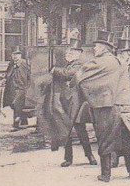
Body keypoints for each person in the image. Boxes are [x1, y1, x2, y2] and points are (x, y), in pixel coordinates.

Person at [75, 30, 130, 182]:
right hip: (126, 106)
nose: (94, 49)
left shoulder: (100, 62)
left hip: (108, 107)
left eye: (97, 46)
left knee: (105, 139)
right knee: (129, 140)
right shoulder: (119, 62)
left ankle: (106, 174)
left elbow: (81, 76)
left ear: (103, 48)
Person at [37, 37, 96, 166]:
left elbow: (67, 74)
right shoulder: (69, 64)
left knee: (80, 129)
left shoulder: (80, 65)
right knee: (66, 129)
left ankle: (90, 156)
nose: (69, 54)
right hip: (65, 102)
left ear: (79, 53)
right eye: (69, 51)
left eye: (73, 52)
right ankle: (68, 158)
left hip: (76, 102)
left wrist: (54, 70)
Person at [2, 46, 31, 129]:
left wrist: (28, 87)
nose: (15, 56)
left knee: (17, 105)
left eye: (17, 54)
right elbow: (8, 74)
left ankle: (16, 124)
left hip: (22, 88)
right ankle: (24, 121)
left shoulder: (25, 64)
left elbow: (30, 76)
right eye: (13, 54)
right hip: (12, 88)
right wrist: (4, 79)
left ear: (21, 55)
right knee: (14, 105)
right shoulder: (11, 64)